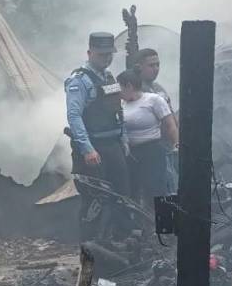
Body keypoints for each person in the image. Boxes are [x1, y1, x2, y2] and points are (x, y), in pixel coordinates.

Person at [65, 31, 131, 241]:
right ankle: (91, 246)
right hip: (94, 149)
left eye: (109, 53)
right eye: (102, 54)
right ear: (90, 52)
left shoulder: (109, 77)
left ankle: (120, 241)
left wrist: (123, 139)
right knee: (95, 200)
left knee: (121, 195)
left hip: (113, 145)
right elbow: (74, 116)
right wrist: (87, 149)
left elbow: (117, 111)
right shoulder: (79, 81)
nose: (106, 58)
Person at [117, 69, 178, 206]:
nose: (118, 92)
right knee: (134, 190)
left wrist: (176, 145)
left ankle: (163, 223)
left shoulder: (153, 100)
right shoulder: (121, 104)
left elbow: (170, 124)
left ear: (129, 86)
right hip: (131, 153)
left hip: (152, 150)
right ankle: (144, 224)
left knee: (156, 189)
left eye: (119, 87)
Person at [133, 48, 179, 194]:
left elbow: (170, 116)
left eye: (158, 65)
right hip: (152, 151)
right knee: (160, 191)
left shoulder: (158, 88)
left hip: (168, 147)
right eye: (151, 65)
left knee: (171, 187)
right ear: (139, 67)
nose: (156, 69)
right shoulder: (136, 91)